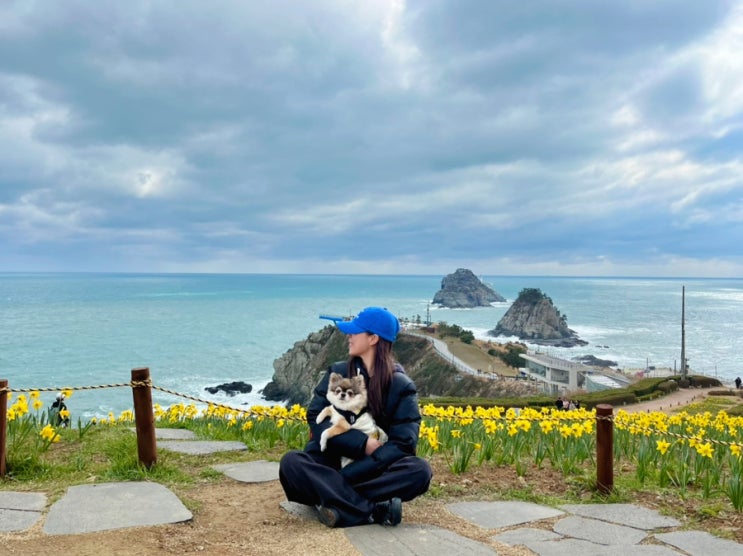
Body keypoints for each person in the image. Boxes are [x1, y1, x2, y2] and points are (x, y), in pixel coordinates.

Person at [279, 306, 432, 528]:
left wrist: (348, 474)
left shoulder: (400, 386)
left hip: (371, 469)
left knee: (419, 471)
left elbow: (403, 445)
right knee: (291, 463)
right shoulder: (339, 372)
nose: (348, 335)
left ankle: (332, 499)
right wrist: (362, 444)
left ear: (373, 339)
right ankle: (372, 509)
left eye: (355, 331)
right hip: (329, 460)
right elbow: (317, 418)